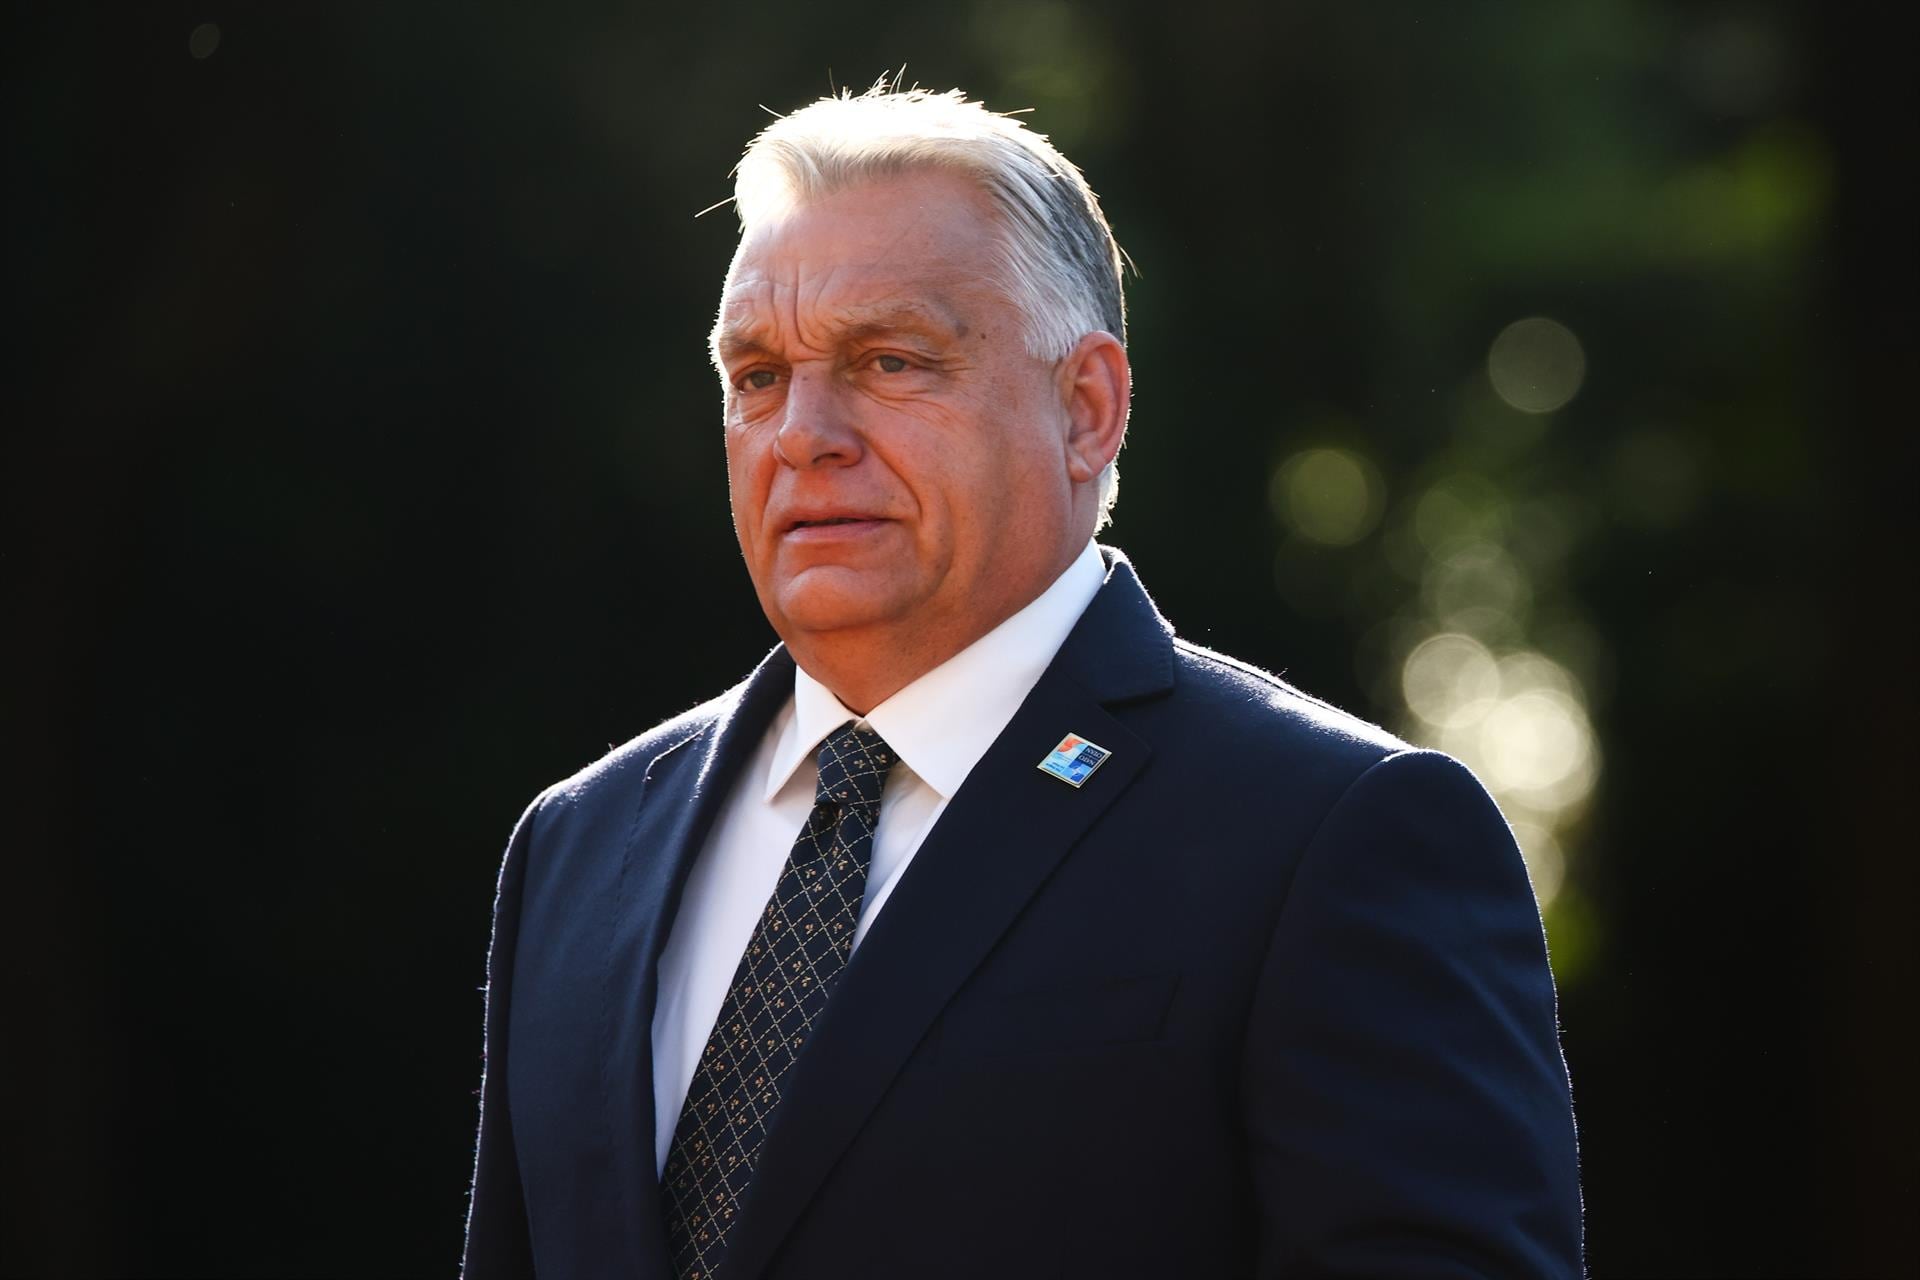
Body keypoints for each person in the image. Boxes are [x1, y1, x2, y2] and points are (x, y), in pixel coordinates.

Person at [462, 83, 1582, 1279]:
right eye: (758, 374)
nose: (802, 432)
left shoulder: (1332, 835)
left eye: (888, 359)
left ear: (1087, 407)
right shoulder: (579, 844)